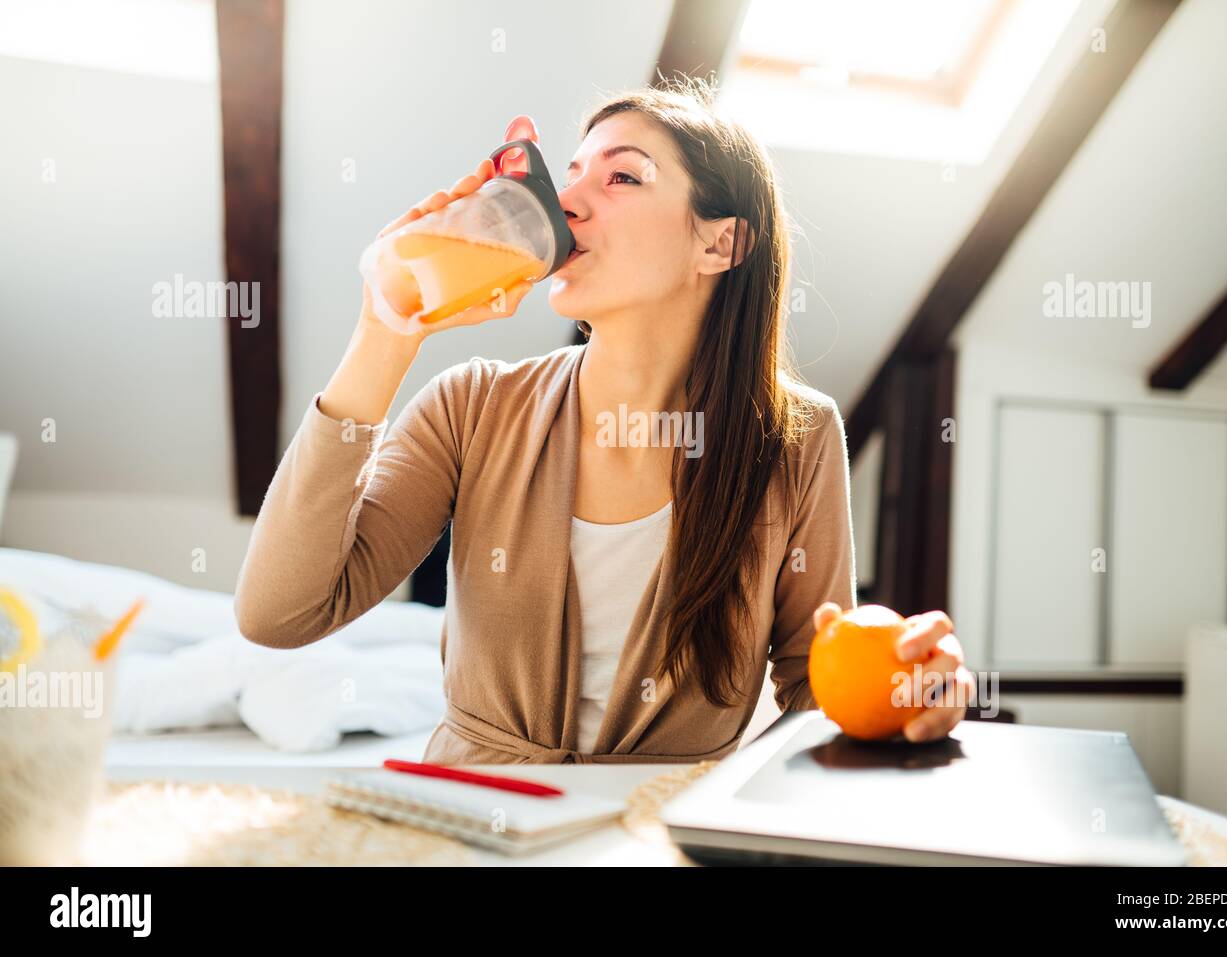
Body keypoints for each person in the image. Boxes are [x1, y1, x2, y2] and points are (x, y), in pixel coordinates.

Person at [234, 77, 974, 764]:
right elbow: (278, 613)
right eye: (571, 176)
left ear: (722, 242)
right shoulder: (471, 408)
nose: (568, 203)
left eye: (621, 176)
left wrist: (904, 691)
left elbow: (817, 688)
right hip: (478, 828)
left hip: (657, 837)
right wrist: (386, 331)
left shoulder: (797, 439)